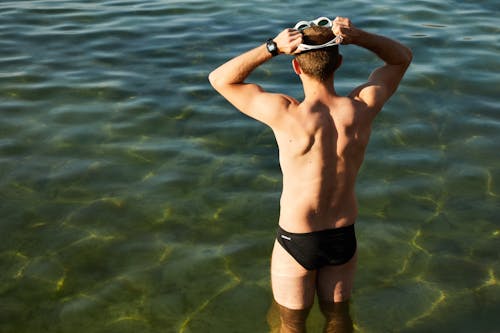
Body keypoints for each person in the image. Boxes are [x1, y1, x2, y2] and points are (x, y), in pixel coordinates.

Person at [209, 16, 412, 332]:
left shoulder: (285, 113)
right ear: (339, 63)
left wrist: (273, 47)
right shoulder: (363, 105)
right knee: (339, 319)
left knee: (291, 324)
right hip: (343, 235)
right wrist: (358, 36)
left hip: (297, 238)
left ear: (297, 68)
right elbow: (402, 57)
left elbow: (220, 79)